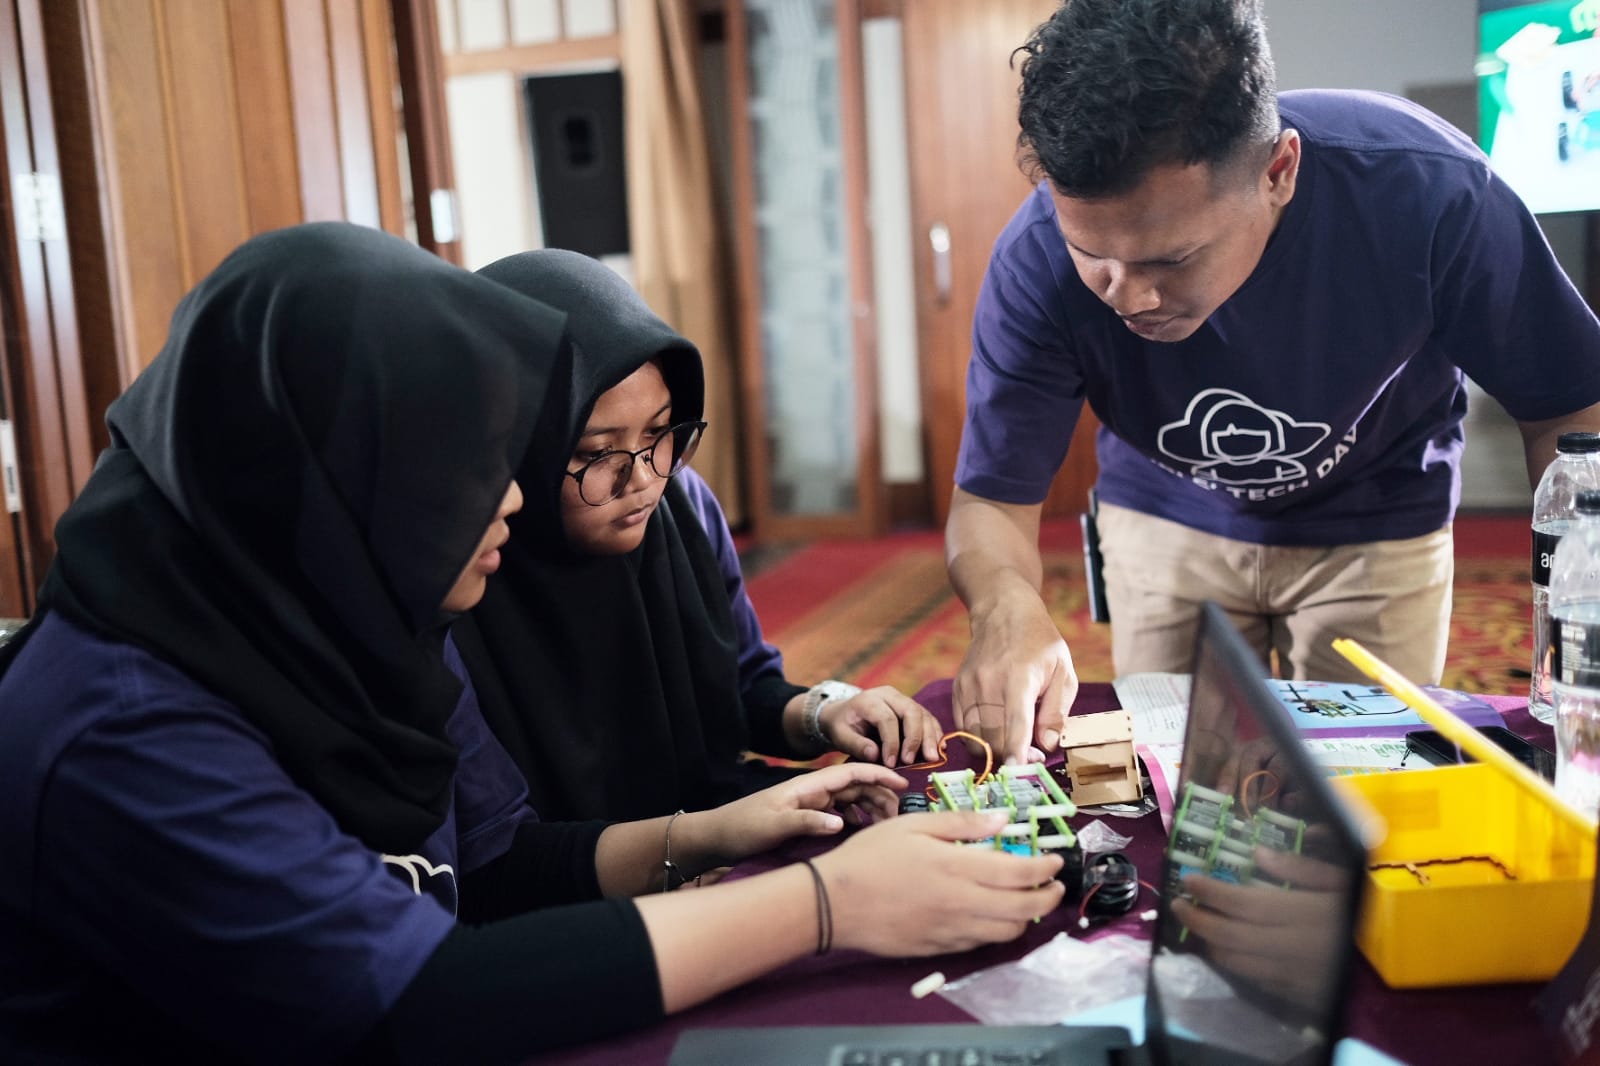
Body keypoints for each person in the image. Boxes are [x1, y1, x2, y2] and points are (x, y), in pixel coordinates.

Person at [0, 224, 1066, 1062]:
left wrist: (725, 830)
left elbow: (497, 863)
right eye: (460, 469)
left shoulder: (346, 616)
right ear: (323, 489)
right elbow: (417, 999)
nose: (509, 497)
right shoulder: (123, 729)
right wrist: (826, 904)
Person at [946, 0, 1600, 764]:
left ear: (1278, 171)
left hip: (1378, 520)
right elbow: (991, 498)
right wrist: (1006, 605)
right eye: (1094, 255)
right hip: (1163, 522)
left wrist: (1576, 605)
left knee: (1368, 781)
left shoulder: (1430, 195)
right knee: (1180, 779)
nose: (1127, 295)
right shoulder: (1034, 261)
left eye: (1169, 260)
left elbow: (1568, 409)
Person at [452, 248, 942, 823]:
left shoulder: (681, 509)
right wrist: (706, 840)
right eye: (597, 452)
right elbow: (498, 855)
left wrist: (827, 712)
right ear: (516, 447)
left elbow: (741, 687)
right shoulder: (459, 581)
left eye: (661, 431)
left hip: (702, 820)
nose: (642, 479)